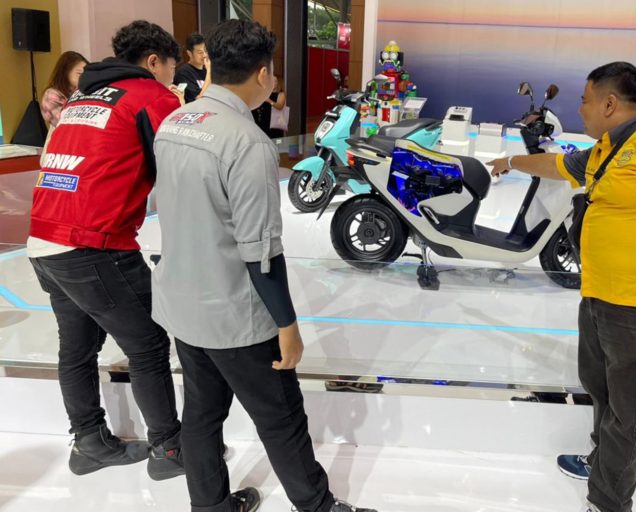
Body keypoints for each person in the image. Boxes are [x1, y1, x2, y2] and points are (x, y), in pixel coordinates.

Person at [152, 19, 377, 512]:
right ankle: (317, 506)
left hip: (182, 305)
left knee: (202, 414)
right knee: (281, 417)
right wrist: (287, 324)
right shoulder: (248, 143)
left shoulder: (175, 122)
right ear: (261, 74)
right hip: (234, 314)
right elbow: (261, 252)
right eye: (272, 71)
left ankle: (210, 506)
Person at [488, 62, 636, 512]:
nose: (580, 108)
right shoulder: (604, 151)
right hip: (602, 298)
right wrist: (512, 162)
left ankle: (608, 500)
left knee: (629, 411)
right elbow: (558, 165)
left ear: (609, 103)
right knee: (601, 390)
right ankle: (602, 463)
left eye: (585, 100)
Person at [28, 20, 186, 480]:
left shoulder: (83, 97)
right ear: (154, 61)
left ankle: (89, 443)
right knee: (148, 343)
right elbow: (178, 167)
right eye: (171, 68)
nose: (171, 78)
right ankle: (169, 450)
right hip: (93, 245)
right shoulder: (150, 95)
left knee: (76, 348)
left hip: (44, 240)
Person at [41, 51, 88, 127]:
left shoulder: (80, 91)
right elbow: (64, 122)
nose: (84, 77)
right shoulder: (51, 96)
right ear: (66, 72)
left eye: (86, 73)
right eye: (79, 73)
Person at [173, 32, 211, 103]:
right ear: (189, 53)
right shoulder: (183, 73)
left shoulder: (206, 70)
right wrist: (209, 71)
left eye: (205, 51)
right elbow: (199, 100)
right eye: (200, 52)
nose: (204, 55)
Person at [252, 74, 286, 138]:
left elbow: (280, 107)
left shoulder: (281, 94)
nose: (272, 83)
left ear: (278, 83)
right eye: (271, 80)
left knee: (274, 137)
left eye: (275, 81)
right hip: (263, 120)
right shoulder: (265, 92)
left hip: (274, 121)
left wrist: (269, 101)